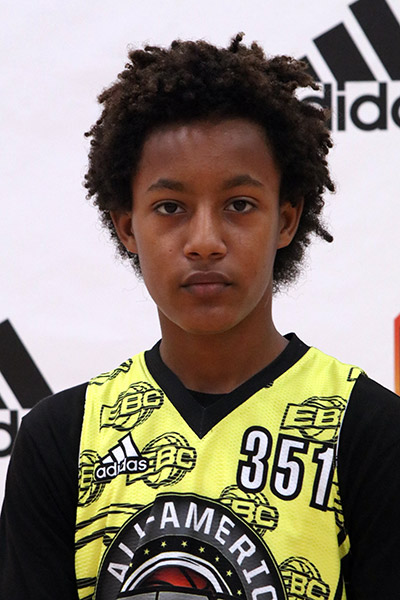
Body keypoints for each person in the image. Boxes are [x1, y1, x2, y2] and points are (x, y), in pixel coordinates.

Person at [0, 34, 399, 600]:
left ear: (286, 221)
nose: (206, 240)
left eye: (239, 205)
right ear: (127, 226)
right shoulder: (60, 440)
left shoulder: (371, 433)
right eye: (171, 207)